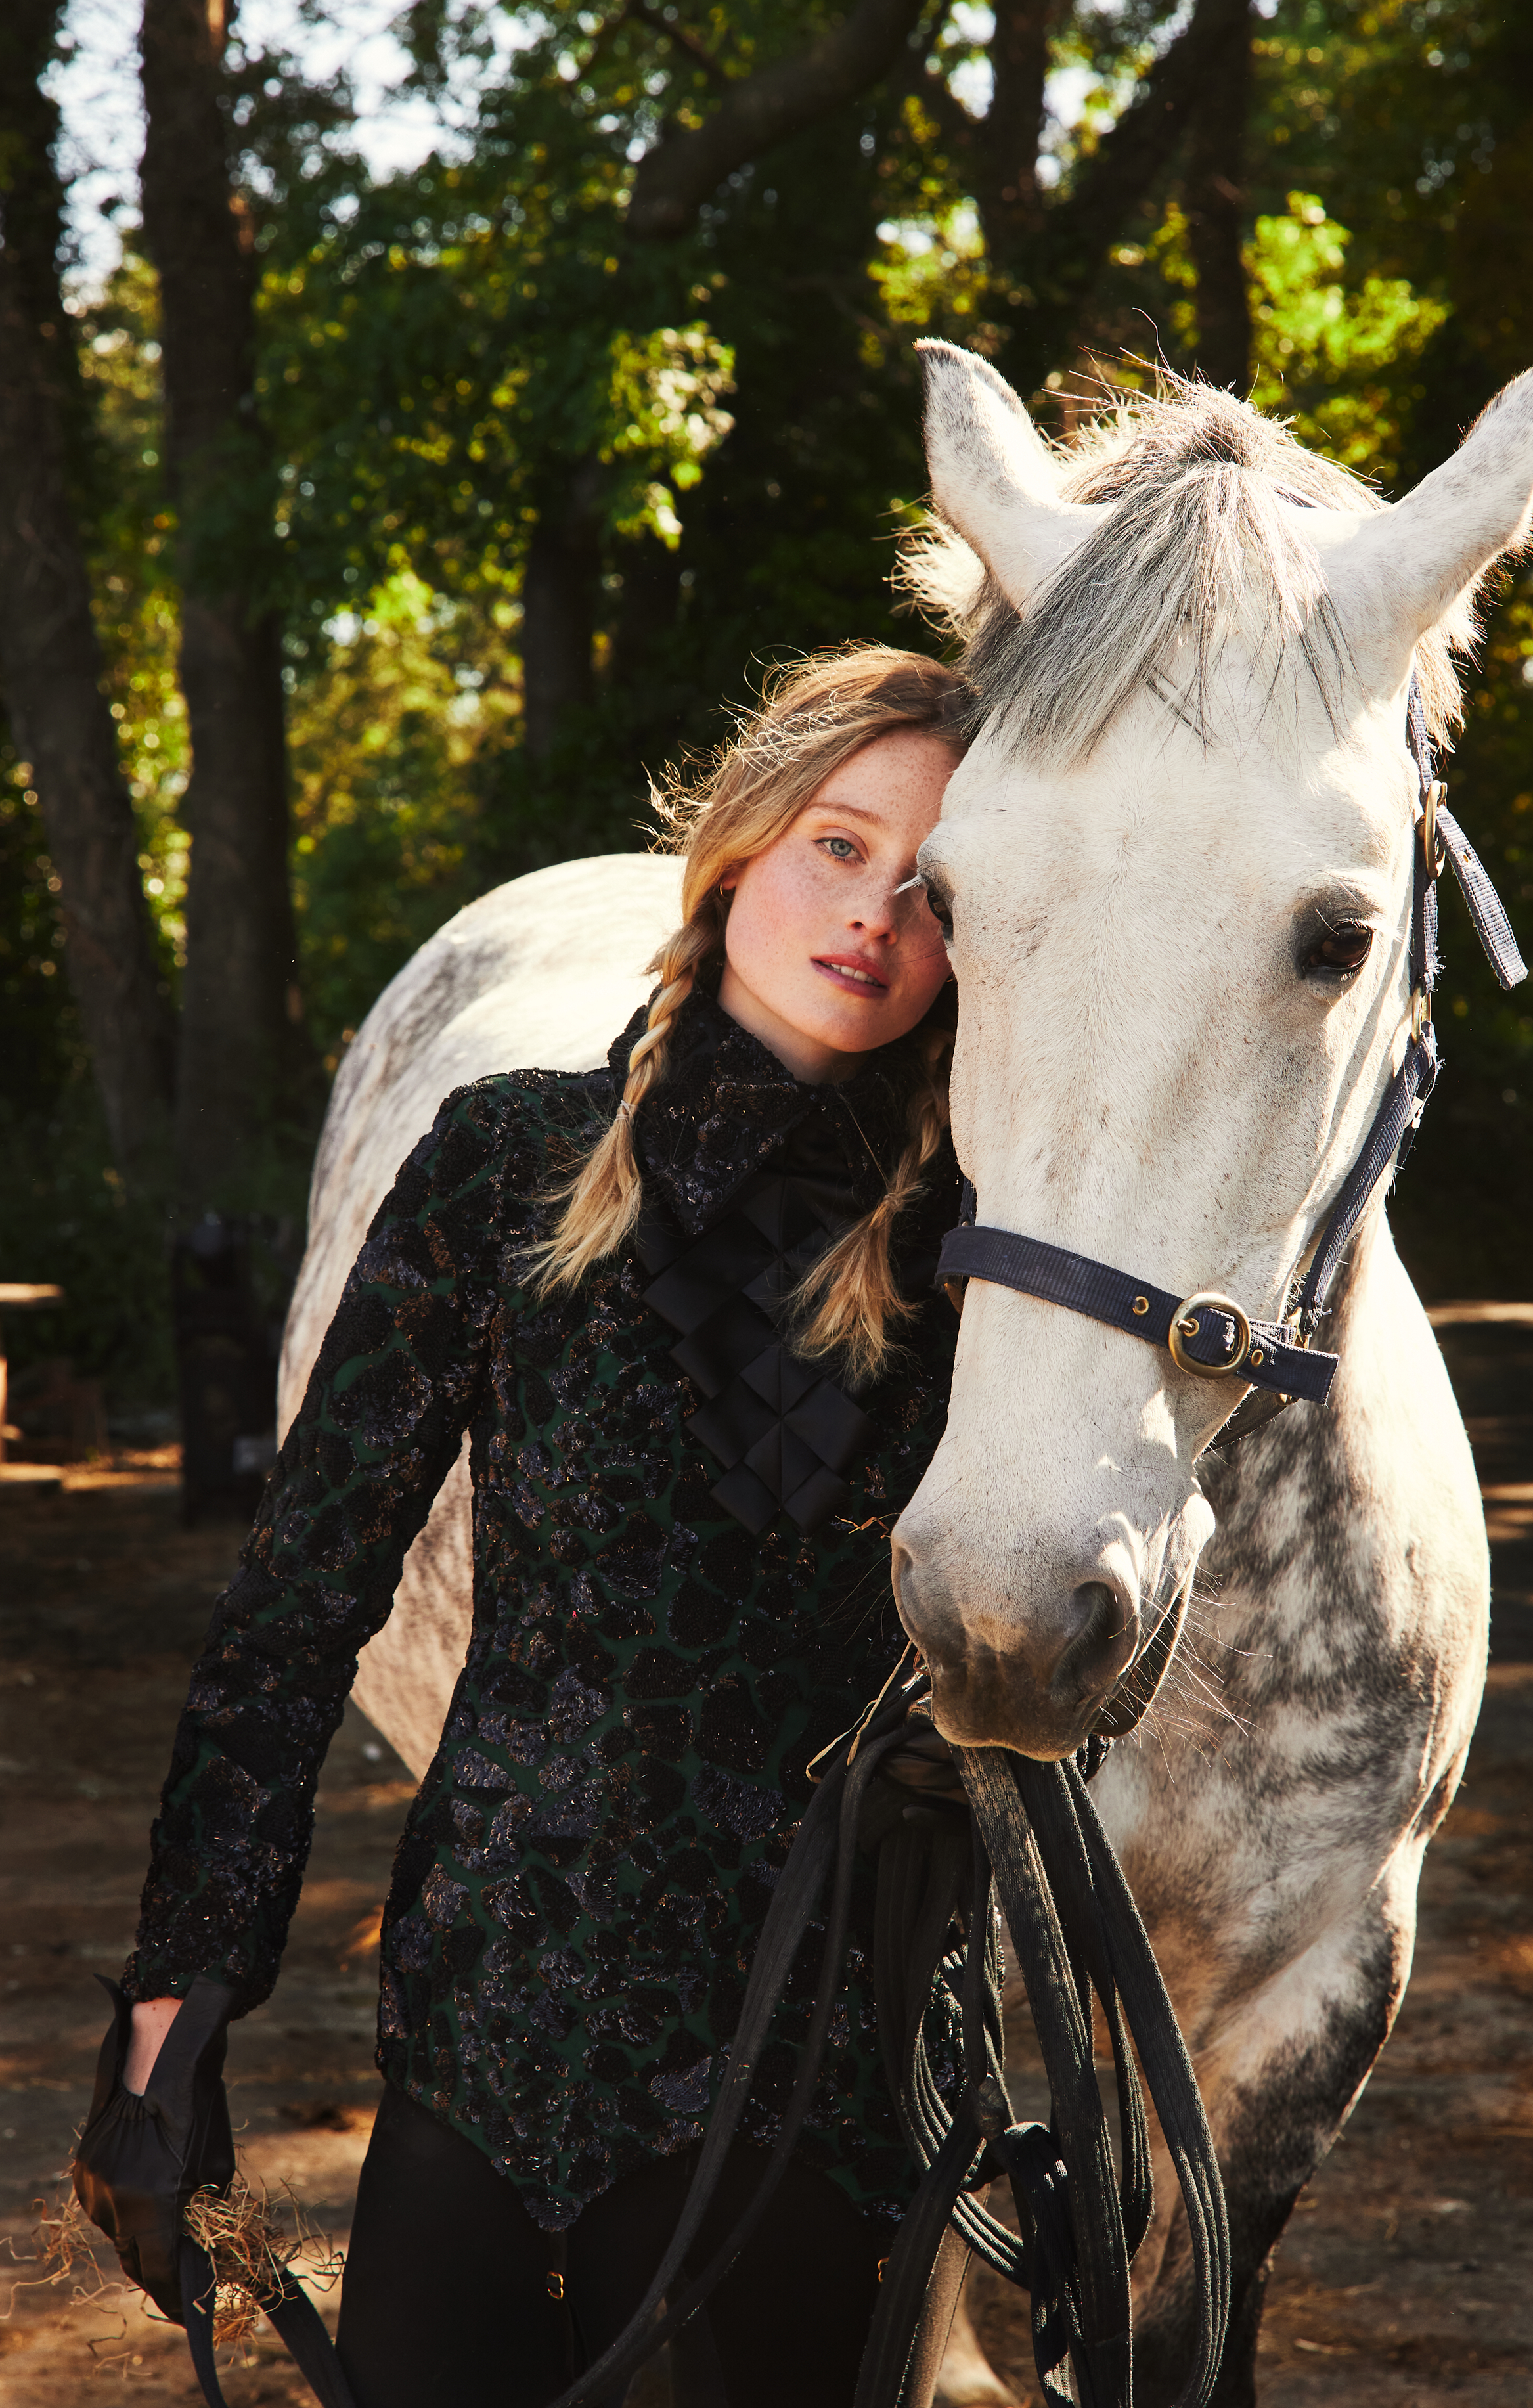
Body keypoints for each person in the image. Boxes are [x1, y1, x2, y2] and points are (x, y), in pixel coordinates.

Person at [81, 647, 977, 2408]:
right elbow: (296, 1604)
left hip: (796, 2093)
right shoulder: (503, 1164)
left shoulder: (980, 1253)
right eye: (838, 845)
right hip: (478, 2053)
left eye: (933, 889)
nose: (873, 913)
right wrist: (178, 2000)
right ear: (738, 847)